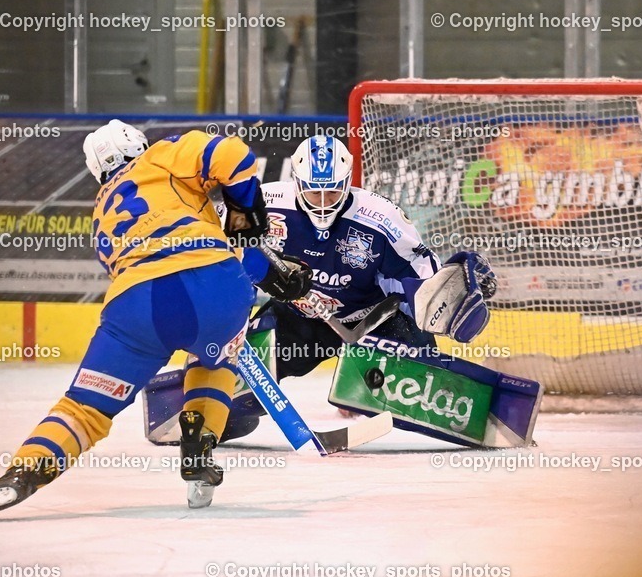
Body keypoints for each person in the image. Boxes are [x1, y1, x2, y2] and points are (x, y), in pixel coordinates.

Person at [0, 121, 310, 518]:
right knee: (216, 357)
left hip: (136, 305)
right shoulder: (164, 154)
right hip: (215, 286)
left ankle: (22, 474)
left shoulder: (101, 212)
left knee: (85, 407)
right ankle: (200, 443)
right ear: (140, 144)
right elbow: (233, 157)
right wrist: (245, 208)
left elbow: (160, 259)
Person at [147, 134, 495, 443]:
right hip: (298, 318)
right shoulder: (264, 205)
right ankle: (197, 420)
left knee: (422, 380)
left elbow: (418, 279)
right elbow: (216, 250)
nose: (324, 200)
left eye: (333, 189)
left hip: (373, 320)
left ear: (348, 182)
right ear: (296, 181)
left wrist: (451, 291)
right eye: (315, 189)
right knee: (239, 398)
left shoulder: (379, 218)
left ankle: (473, 406)